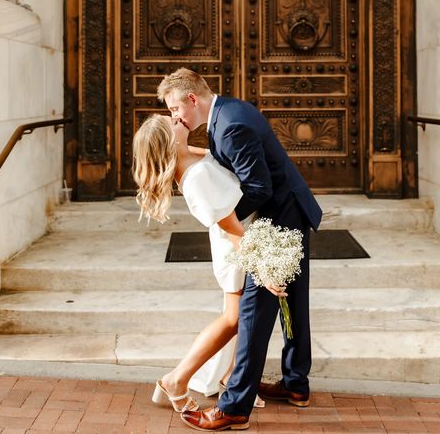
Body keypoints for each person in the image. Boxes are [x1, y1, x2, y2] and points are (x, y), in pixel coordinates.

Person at [157, 67, 323, 432]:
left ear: (192, 99)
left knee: (252, 314)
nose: (175, 117)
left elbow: (259, 188)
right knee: (292, 302)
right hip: (289, 210)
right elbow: (227, 163)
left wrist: (225, 220)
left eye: (175, 109)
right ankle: (296, 385)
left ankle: (233, 408)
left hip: (279, 218)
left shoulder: (230, 125)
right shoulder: (226, 113)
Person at [132, 114, 265, 414]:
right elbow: (231, 226)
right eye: (172, 122)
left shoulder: (189, 156)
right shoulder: (196, 177)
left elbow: (214, 156)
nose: (178, 118)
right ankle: (176, 379)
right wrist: (259, 261)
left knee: (242, 317)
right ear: (169, 141)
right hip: (236, 246)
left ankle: (230, 377)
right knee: (234, 319)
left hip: (237, 241)